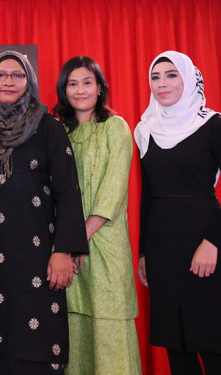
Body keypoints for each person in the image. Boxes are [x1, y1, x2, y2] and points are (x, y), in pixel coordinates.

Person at [0, 50, 88, 375]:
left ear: (28, 81)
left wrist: (63, 251)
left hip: (37, 256)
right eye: (1, 74)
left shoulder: (47, 127)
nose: (9, 81)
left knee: (38, 344)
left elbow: (68, 192)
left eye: (17, 75)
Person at [135, 51, 221, 375]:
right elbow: (147, 197)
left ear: (188, 79)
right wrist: (143, 253)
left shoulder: (213, 124)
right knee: (178, 351)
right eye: (155, 77)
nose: (162, 83)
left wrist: (211, 242)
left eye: (171, 75)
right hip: (162, 251)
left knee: (215, 351)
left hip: (205, 242)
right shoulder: (145, 130)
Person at [53, 56, 141, 375]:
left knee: (109, 327)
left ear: (100, 87)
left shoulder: (116, 127)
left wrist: (79, 239)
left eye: (87, 83)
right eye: (72, 84)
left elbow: (113, 191)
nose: (80, 90)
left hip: (104, 243)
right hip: (68, 247)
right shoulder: (58, 131)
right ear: (63, 90)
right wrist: (67, 244)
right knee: (74, 328)